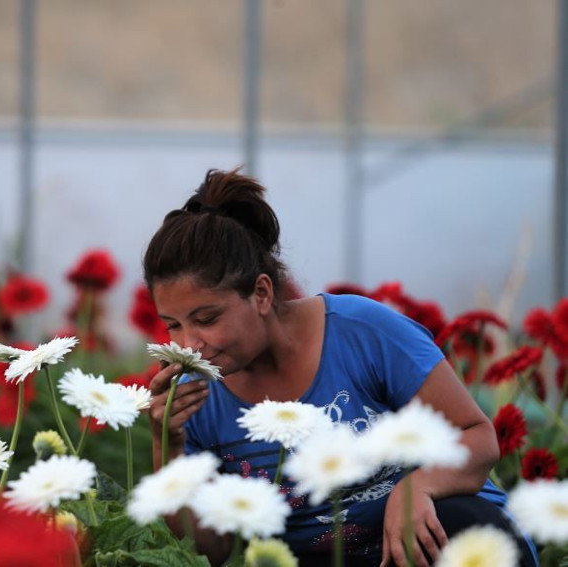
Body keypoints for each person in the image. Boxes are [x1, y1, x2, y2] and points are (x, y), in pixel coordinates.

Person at [143, 168, 537, 567]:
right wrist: (167, 444)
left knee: (458, 522)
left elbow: (478, 437)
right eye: (173, 325)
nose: (188, 344)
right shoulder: (192, 396)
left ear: (261, 293)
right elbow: (211, 549)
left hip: (435, 543)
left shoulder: (363, 332)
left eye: (206, 319)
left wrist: (417, 487)